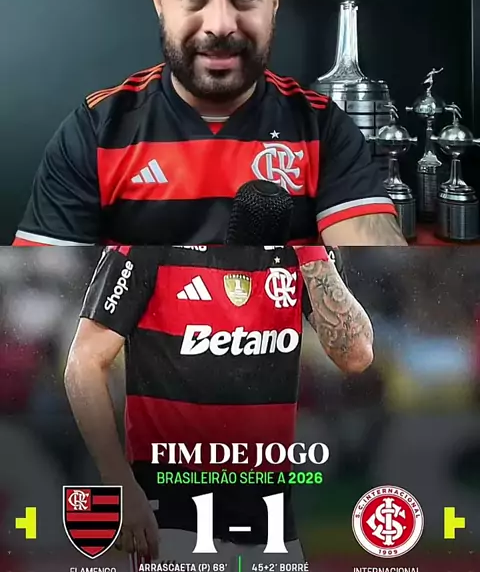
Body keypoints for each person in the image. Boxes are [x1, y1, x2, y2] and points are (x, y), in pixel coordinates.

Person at [13, 0, 405, 248]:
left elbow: (376, 280)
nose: (219, 24)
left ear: (274, 2)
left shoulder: (323, 129)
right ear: (160, 0)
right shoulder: (94, 133)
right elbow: (42, 290)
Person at [64, 243, 373, 567]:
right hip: (172, 518)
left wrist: (309, 247)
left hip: (271, 524)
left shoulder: (299, 241)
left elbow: (356, 355)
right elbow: (83, 364)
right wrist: (119, 482)